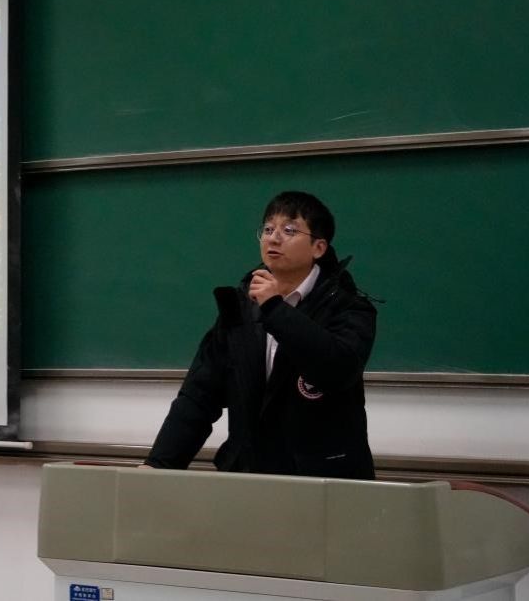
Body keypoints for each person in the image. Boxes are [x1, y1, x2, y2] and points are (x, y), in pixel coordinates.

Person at [144, 191, 378, 479]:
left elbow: (338, 369)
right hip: (249, 477)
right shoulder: (240, 308)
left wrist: (275, 308)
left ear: (318, 247)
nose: (274, 238)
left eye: (289, 230)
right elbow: (199, 396)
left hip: (323, 481)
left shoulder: (348, 307)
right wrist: (158, 466)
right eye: (268, 229)